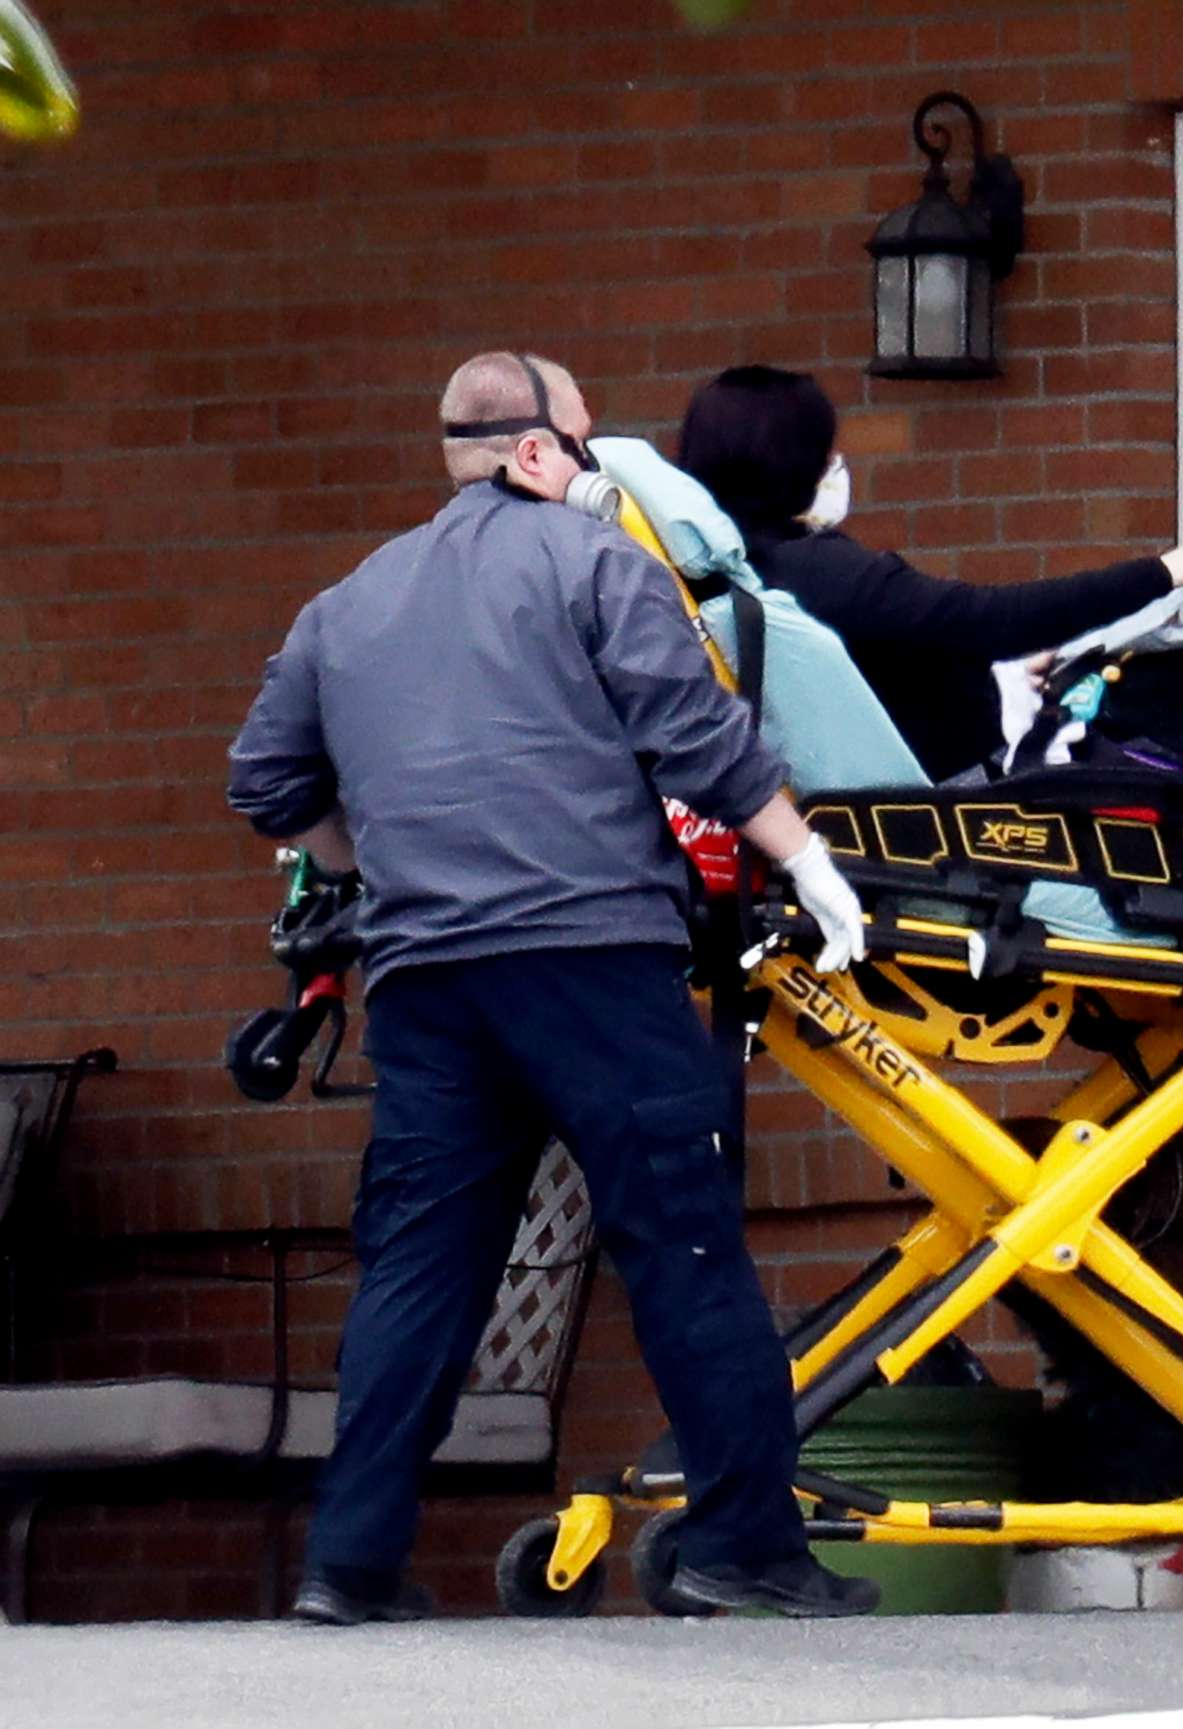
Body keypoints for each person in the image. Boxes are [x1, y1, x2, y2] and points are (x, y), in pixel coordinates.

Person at [227, 351, 878, 1625]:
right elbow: (697, 735)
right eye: (587, 446)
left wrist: (381, 864)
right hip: (590, 962)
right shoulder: (597, 566)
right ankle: (741, 1545)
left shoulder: (343, 606)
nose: (596, 469)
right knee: (684, 1242)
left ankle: (348, 1565)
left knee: (419, 1267)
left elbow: (266, 782)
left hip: (427, 984)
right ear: (537, 454)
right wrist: (811, 864)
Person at [676, 364, 1183, 782]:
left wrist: (999, 671)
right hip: (937, 825)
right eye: (825, 453)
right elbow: (987, 618)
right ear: (789, 462)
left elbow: (909, 650)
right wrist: (1162, 572)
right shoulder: (820, 571)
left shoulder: (717, 573)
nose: (836, 467)